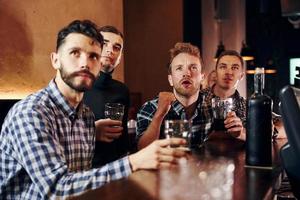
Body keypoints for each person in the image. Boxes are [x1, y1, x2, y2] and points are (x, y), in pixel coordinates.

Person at [0, 20, 187, 199]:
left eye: (93, 56)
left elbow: (83, 180)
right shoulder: (30, 113)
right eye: (75, 53)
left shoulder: (86, 116)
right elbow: (57, 190)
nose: (85, 63)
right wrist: (135, 161)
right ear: (55, 60)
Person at [136, 42, 213, 150]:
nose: (186, 73)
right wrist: (160, 114)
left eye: (193, 67)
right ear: (170, 79)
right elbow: (143, 151)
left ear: (202, 77)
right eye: (179, 68)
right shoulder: (151, 108)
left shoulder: (213, 106)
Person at [83, 26, 131, 167]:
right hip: (82, 171)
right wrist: (93, 132)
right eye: (105, 44)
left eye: (117, 47)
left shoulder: (122, 90)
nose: (110, 50)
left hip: (114, 170)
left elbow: (123, 142)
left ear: (120, 56)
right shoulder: (77, 86)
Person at [200, 50, 246, 140]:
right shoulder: (197, 99)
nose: (228, 72)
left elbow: (280, 125)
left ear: (241, 76)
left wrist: (241, 134)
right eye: (223, 67)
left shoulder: (247, 105)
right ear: (215, 73)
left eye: (234, 68)